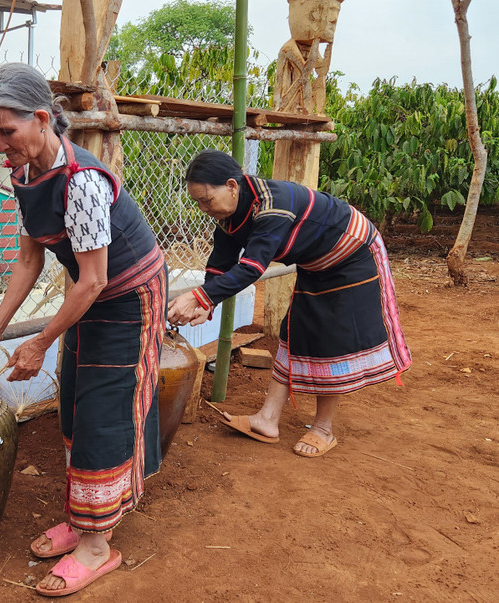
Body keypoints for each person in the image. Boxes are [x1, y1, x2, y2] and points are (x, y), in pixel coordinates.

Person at [0, 63, 166, 597]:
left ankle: (99, 545)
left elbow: (92, 278)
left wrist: (40, 341)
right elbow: (29, 261)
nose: (0, 144)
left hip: (127, 297)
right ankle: (81, 521)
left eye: (7, 131)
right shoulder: (25, 174)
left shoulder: (84, 182)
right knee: (73, 401)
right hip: (90, 295)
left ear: (43, 119)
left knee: (105, 409)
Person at [168, 149, 411, 457]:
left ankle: (323, 428)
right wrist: (208, 302)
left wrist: (199, 297)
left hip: (352, 255)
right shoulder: (230, 213)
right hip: (316, 263)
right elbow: (222, 261)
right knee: (295, 331)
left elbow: (252, 267)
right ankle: (267, 420)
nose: (203, 208)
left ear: (232, 186)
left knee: (330, 339)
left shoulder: (272, 206)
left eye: (207, 199)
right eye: (197, 202)